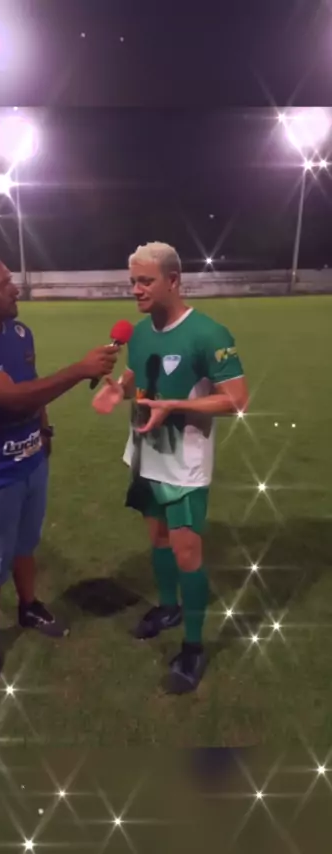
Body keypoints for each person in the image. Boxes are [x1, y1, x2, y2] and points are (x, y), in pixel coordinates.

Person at [0, 249, 118, 678]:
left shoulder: (19, 333)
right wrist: (79, 370)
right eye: (2, 284)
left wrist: (45, 431)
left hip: (32, 461)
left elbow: (31, 388)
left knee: (25, 544)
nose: (15, 288)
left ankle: (29, 606)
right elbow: (13, 398)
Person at [93, 242, 249, 694]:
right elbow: (137, 380)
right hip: (146, 454)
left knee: (187, 554)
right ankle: (168, 607)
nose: (136, 290)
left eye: (146, 281)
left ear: (174, 280)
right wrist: (118, 390)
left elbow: (236, 399)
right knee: (157, 538)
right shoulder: (140, 334)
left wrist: (175, 407)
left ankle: (194, 646)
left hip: (185, 464)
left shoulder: (208, 333)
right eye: (133, 282)